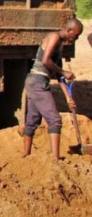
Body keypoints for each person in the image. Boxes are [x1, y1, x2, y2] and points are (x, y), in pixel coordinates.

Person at [23, 18, 84, 159]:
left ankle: (26, 155)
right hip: (37, 81)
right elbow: (45, 60)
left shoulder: (60, 45)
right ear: (69, 30)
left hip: (37, 82)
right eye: (75, 35)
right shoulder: (54, 37)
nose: (76, 39)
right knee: (54, 120)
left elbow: (58, 74)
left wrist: (68, 98)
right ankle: (56, 159)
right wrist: (64, 72)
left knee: (32, 120)